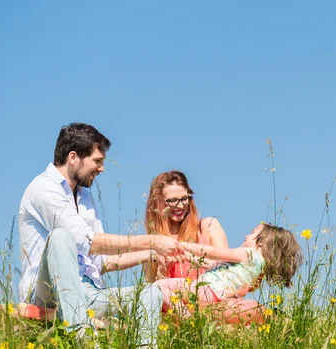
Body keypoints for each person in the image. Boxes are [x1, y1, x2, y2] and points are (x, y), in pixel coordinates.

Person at [18, 122, 182, 347]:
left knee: (151, 294)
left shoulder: (85, 197)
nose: (102, 168)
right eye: (97, 161)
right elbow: (88, 242)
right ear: (74, 157)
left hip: (89, 293)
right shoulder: (43, 188)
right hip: (48, 293)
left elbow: (102, 260)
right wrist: (151, 239)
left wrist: (150, 253)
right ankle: (84, 338)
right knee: (60, 237)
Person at [154, 223, 303, 313]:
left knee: (159, 288)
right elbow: (210, 263)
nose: (246, 235)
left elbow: (214, 253)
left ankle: (184, 316)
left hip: (205, 289)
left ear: (262, 242)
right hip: (216, 296)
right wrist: (185, 256)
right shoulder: (258, 267)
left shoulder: (247, 254)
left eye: (252, 233)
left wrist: (181, 245)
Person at [142, 170, 229, 282]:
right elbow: (151, 292)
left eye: (184, 199)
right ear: (157, 203)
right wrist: (163, 272)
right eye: (172, 200)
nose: (180, 205)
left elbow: (227, 271)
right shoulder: (153, 244)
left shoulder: (208, 226)